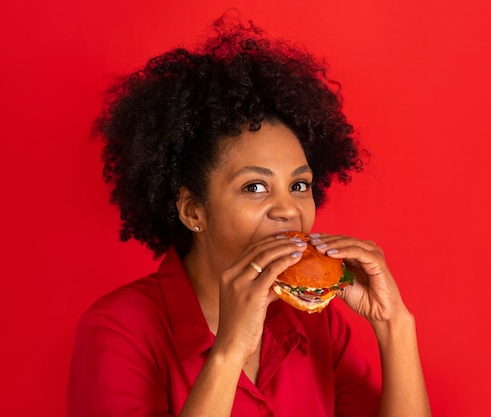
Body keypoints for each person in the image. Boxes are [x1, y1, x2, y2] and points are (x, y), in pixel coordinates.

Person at [68, 16, 432, 417]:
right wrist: (229, 350)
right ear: (193, 210)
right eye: (254, 187)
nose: (287, 209)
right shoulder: (117, 329)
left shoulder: (315, 323)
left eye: (299, 186)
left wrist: (394, 325)